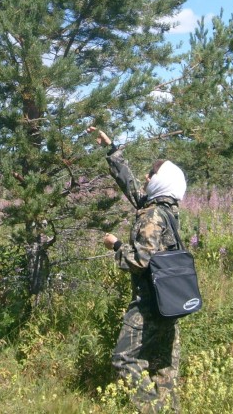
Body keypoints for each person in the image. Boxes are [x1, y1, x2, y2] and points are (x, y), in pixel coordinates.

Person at [88, 126, 186, 414]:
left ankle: (151, 409)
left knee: (124, 359)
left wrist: (116, 245)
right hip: (170, 301)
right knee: (162, 363)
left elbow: (142, 261)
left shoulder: (153, 216)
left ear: (162, 181)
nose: (146, 178)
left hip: (149, 303)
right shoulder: (168, 210)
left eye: (151, 174)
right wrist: (112, 149)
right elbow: (133, 190)